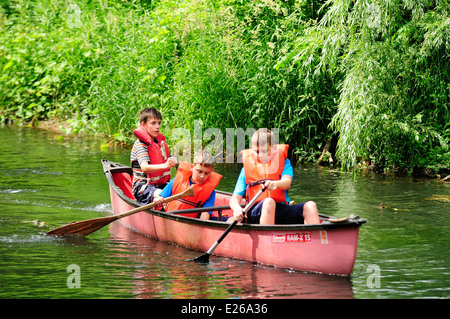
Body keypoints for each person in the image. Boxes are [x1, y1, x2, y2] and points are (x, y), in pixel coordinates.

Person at [229, 128, 320, 225]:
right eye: (257, 151)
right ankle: (266, 238)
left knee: (311, 206)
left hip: (281, 210)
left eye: (264, 151)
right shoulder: (246, 170)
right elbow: (234, 198)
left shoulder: (285, 163)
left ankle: (315, 238)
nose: (260, 155)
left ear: (273, 148)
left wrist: (275, 183)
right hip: (256, 212)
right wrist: (237, 208)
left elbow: (287, 182)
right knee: (269, 202)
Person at [153, 150, 222, 220]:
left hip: (190, 223)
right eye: (199, 172)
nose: (202, 176)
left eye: (206, 173)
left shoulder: (210, 192)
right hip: (170, 218)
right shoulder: (177, 180)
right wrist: (158, 200)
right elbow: (160, 197)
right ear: (192, 168)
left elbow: (205, 217)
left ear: (211, 171)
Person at [130, 107, 178, 204]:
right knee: (163, 195)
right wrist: (165, 165)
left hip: (161, 184)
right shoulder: (140, 145)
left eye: (159, 123)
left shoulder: (159, 143)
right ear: (143, 125)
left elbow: (169, 159)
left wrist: (176, 163)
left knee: (180, 191)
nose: (157, 126)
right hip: (142, 187)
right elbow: (144, 168)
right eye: (153, 123)